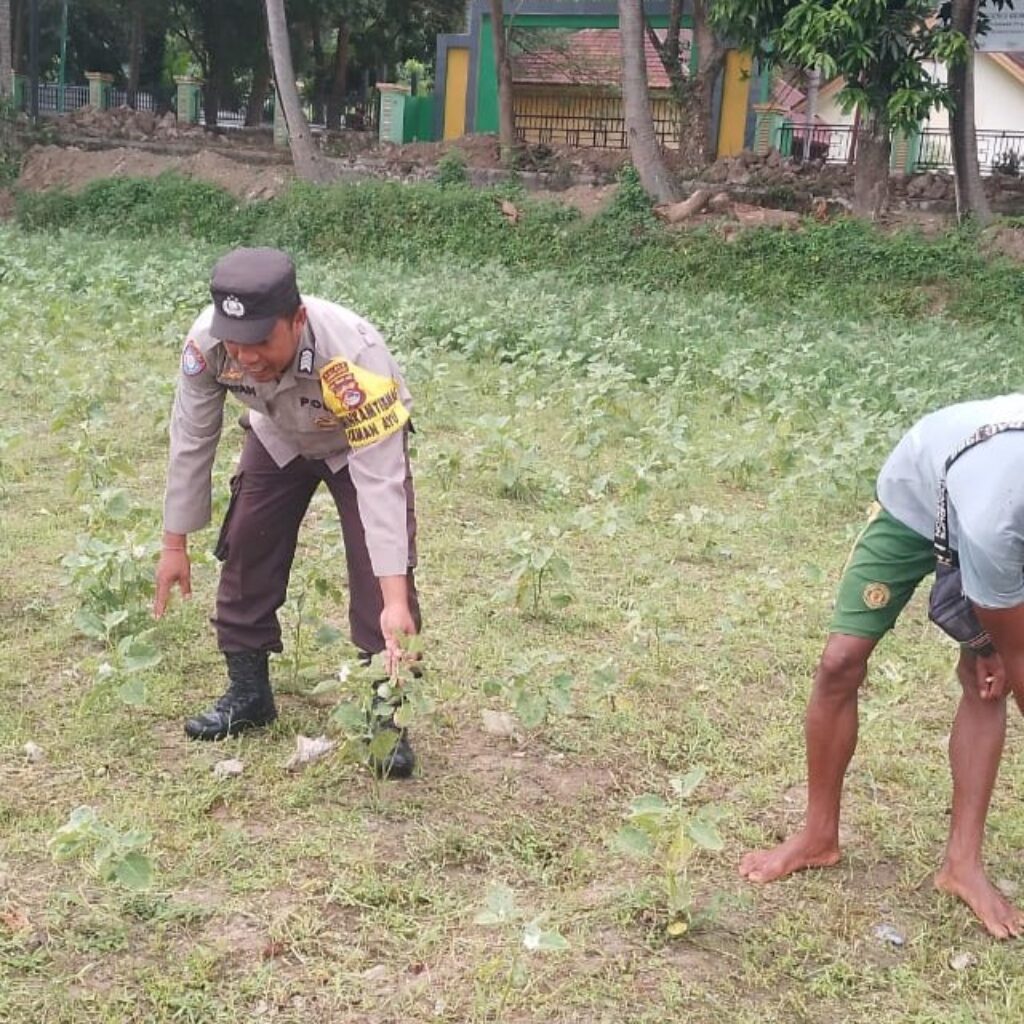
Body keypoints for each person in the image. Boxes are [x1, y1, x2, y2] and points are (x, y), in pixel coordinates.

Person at [740, 393, 1024, 938]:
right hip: (918, 496)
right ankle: (817, 836)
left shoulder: (1002, 529)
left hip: (997, 526)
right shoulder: (997, 509)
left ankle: (961, 865)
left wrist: (994, 641)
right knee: (839, 662)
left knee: (987, 680)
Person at [153, 247, 421, 778]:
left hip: (354, 446)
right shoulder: (208, 346)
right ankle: (249, 693)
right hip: (278, 434)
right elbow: (191, 438)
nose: (247, 356)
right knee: (247, 544)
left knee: (378, 575)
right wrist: (173, 544)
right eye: (237, 342)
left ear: (297, 319)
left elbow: (381, 482)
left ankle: (385, 717)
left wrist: (394, 599)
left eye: (260, 341)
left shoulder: (355, 357)